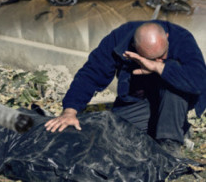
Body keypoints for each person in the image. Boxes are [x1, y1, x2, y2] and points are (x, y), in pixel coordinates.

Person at [45, 21, 206, 155]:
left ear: (167, 38)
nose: (158, 60)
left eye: (162, 55)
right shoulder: (118, 39)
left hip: (171, 102)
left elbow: (199, 81)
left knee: (174, 72)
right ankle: (178, 128)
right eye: (152, 58)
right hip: (138, 101)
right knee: (113, 133)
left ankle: (169, 145)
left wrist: (160, 68)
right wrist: (70, 111)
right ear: (135, 48)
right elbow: (91, 74)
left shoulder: (182, 39)